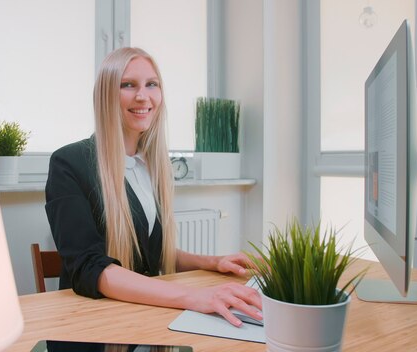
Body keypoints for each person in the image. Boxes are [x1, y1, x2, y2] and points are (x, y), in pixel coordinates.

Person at [45, 47, 262, 328]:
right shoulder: (68, 163)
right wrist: (195, 296)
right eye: (128, 85)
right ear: (106, 94)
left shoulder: (151, 165)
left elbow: (154, 253)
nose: (142, 96)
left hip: (142, 317)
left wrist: (214, 262)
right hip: (95, 328)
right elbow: (89, 268)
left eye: (152, 84)